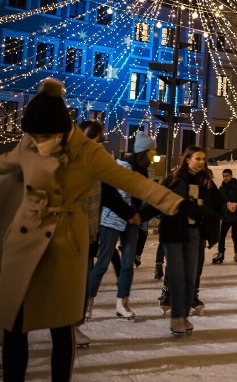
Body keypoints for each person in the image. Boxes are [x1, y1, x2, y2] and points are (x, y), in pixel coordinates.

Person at [0, 78, 190, 381]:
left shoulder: (87, 153)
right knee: (14, 321)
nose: (38, 140)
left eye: (45, 135)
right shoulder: (29, 142)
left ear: (61, 130)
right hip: (26, 236)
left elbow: (129, 182)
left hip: (64, 242)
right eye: (34, 135)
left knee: (61, 325)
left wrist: (172, 201)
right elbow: (6, 163)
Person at [85, 133, 158, 321]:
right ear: (144, 151)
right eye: (153, 150)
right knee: (102, 263)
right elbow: (114, 196)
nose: (155, 153)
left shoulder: (149, 172)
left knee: (127, 264)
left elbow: (146, 196)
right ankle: (87, 303)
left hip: (133, 222)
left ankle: (121, 304)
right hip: (112, 220)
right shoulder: (121, 167)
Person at [157, 146, 225, 336]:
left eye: (204, 159)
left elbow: (219, 202)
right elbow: (159, 198)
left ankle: (182, 316)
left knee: (190, 275)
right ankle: (176, 316)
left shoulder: (206, 182)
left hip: (194, 233)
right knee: (177, 275)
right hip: (175, 232)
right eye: (198, 158)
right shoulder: (174, 179)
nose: (202, 162)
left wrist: (228, 209)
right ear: (187, 159)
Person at [212, 168, 237, 265]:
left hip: (236, 215)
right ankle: (220, 253)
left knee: (234, 234)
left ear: (231, 176)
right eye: (223, 176)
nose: (225, 178)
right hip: (226, 215)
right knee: (222, 235)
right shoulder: (221, 188)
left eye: (227, 176)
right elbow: (219, 200)